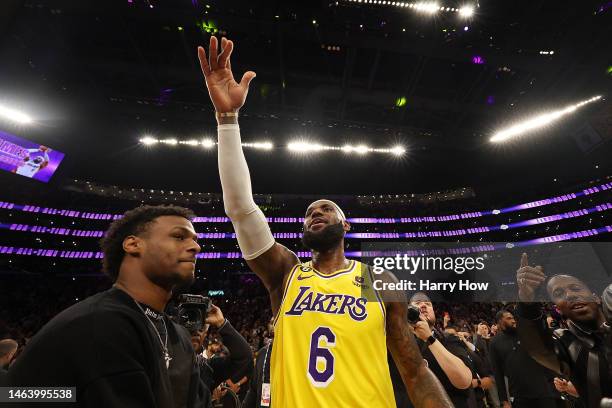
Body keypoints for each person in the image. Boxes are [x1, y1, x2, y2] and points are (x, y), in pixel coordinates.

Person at [197, 36, 452, 407]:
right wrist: (227, 119)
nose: (315, 212)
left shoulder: (375, 281)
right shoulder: (286, 274)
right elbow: (240, 208)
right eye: (309, 212)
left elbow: (415, 372)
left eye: (326, 209)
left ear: (345, 226)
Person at [9, 205, 208, 408]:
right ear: (133, 244)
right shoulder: (99, 323)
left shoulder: (180, 337)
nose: (195, 247)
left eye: (195, 239)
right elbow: (16, 395)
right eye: (179, 236)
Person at [515, 253, 611, 408]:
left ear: (596, 297)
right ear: (558, 309)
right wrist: (527, 300)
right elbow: (538, 348)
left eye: (575, 288)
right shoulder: (565, 342)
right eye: (559, 294)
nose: (570, 295)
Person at [394, 294, 472, 408]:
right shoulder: (398, 343)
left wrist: (429, 338)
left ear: (434, 312)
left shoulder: (449, 339)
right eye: (418, 303)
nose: (423, 305)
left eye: (428, 304)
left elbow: (464, 381)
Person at [489, 310, 562, 408]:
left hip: (543, 391)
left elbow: (545, 359)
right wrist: (504, 400)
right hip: (519, 396)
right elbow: (498, 373)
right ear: (500, 322)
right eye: (509, 318)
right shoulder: (494, 343)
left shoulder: (526, 334)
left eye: (513, 318)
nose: (513, 320)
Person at [189, 303, 252, 400]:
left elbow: (244, 356)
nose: (196, 332)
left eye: (200, 329)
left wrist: (222, 324)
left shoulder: (207, 367)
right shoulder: (165, 361)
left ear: (205, 335)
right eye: (190, 327)